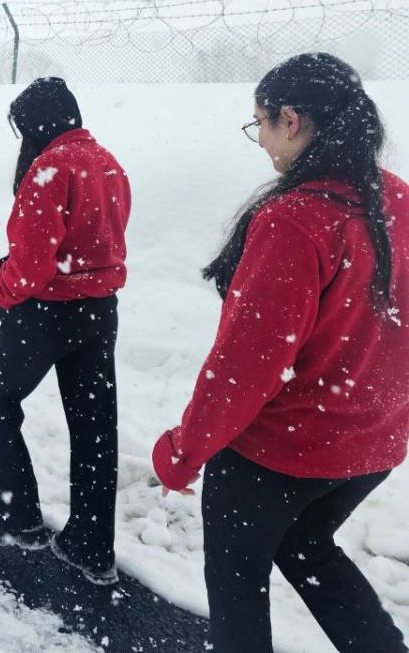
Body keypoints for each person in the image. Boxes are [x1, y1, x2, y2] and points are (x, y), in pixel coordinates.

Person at [152, 53, 409, 653]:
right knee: (307, 546)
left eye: (261, 124)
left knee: (238, 585)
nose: (261, 140)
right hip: (372, 445)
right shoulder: (397, 199)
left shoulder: (297, 220)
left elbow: (244, 367)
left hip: (281, 453)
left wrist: (186, 452)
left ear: (290, 121)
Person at [0, 77, 131, 587]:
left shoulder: (50, 168)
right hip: (100, 309)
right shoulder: (107, 161)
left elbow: (32, 267)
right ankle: (91, 545)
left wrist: (1, 287)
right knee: (93, 427)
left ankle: (12, 517)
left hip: (47, 311)